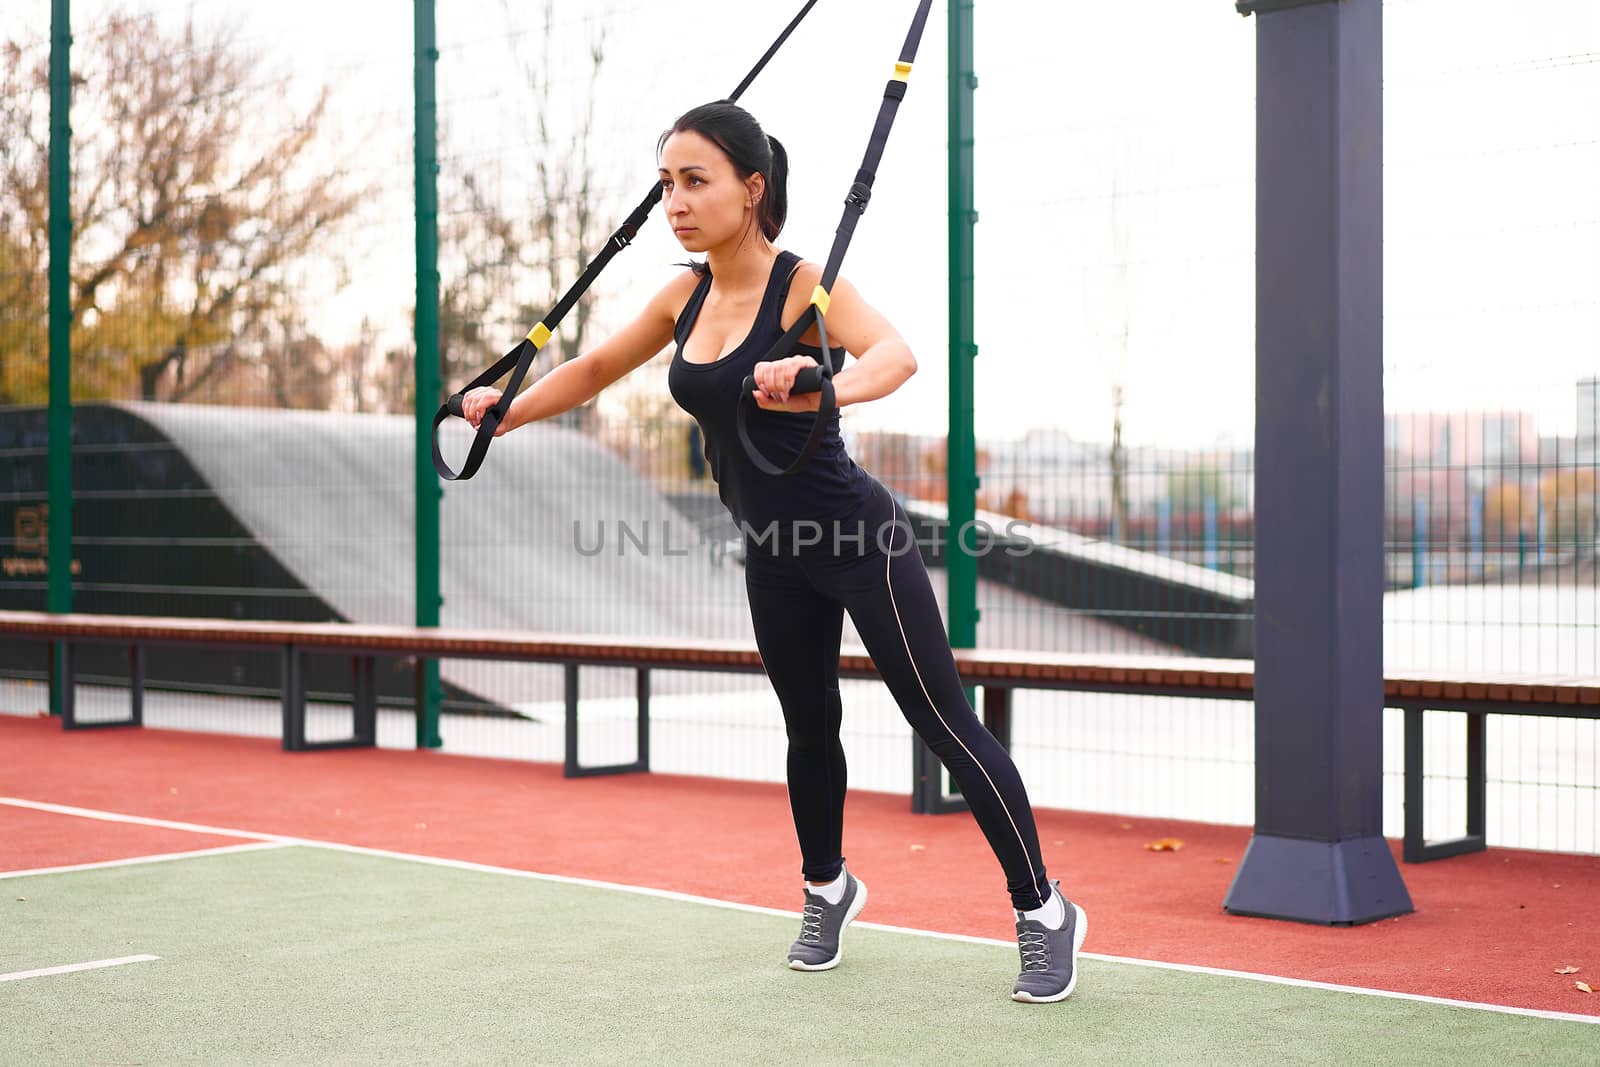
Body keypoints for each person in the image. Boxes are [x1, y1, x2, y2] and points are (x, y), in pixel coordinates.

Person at [462, 100, 1086, 1003]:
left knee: (942, 718)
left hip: (856, 539)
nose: (674, 201)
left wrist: (823, 381)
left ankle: (1044, 911)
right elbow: (596, 368)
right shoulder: (683, 294)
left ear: (751, 190)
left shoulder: (804, 288)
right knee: (808, 728)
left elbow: (896, 355)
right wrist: (506, 409)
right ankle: (828, 888)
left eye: (695, 180)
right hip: (771, 549)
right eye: (666, 182)